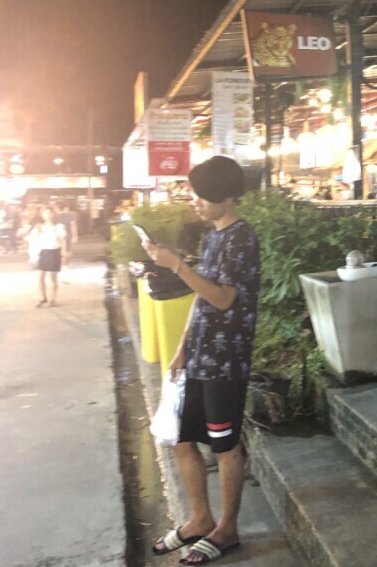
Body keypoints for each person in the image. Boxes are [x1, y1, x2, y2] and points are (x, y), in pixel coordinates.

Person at [144, 156, 260, 565]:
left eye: (205, 196)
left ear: (228, 197)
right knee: (180, 438)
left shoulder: (241, 238)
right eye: (195, 193)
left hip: (226, 361)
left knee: (225, 447)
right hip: (197, 356)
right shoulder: (212, 236)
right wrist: (181, 347)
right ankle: (199, 519)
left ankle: (226, 529)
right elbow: (201, 297)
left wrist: (176, 264)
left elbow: (224, 298)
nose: (196, 202)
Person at [28, 207, 67, 307]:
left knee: (53, 277)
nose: (47, 215)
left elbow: (62, 240)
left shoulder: (58, 227)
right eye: (45, 213)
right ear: (42, 215)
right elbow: (29, 238)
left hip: (55, 252)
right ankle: (43, 298)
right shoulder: (39, 227)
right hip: (43, 252)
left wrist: (64, 251)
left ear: (53, 214)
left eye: (49, 213)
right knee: (41, 276)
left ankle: (53, 299)